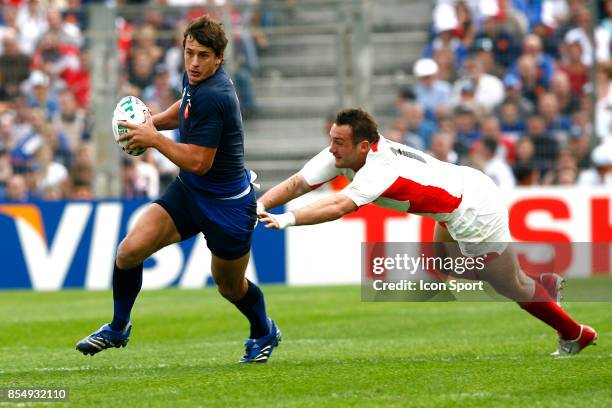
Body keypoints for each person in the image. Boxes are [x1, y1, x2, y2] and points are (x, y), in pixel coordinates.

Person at [258, 108, 596, 356]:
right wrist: (262, 203)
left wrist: (287, 219)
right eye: (331, 140)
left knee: (511, 286)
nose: (332, 148)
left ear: (362, 146)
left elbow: (339, 206)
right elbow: (299, 182)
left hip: (471, 209)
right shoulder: (346, 151)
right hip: (461, 194)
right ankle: (544, 288)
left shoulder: (378, 169)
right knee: (441, 266)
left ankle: (574, 332)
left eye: (338, 142)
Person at [76, 16, 281, 364]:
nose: (195, 62)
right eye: (189, 53)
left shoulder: (217, 95)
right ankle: (118, 326)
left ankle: (264, 330)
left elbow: (200, 161)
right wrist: (152, 122)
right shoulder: (195, 79)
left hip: (228, 207)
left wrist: (154, 139)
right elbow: (184, 110)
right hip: (190, 193)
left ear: (219, 58)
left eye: (203, 55)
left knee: (229, 286)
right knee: (129, 251)